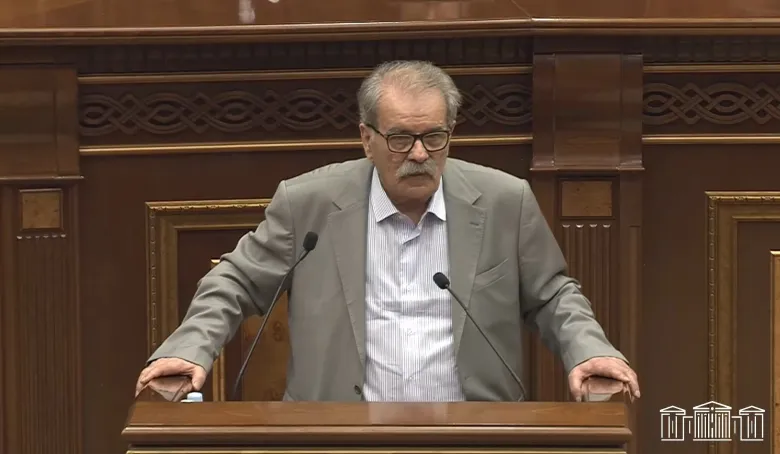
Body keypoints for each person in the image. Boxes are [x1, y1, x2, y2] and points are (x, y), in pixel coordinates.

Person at [136, 60, 640, 402]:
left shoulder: (505, 201)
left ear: (451, 134)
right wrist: (188, 349)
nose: (419, 154)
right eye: (400, 138)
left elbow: (553, 295)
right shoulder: (308, 203)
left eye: (434, 137)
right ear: (366, 139)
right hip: (339, 437)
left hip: (473, 435)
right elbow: (235, 281)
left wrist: (590, 350)